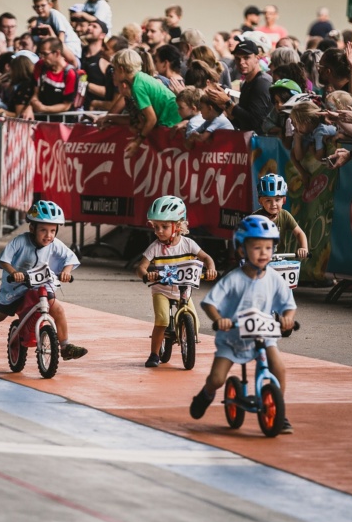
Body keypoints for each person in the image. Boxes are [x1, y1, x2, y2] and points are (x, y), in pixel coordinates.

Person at [189, 215, 297, 432]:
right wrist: (220, 320)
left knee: (279, 368)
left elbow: (288, 304)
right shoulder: (234, 279)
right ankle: (206, 394)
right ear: (241, 250)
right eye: (257, 247)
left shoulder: (274, 278)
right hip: (232, 338)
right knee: (218, 378)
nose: (264, 253)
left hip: (263, 335)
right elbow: (210, 303)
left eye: (268, 247)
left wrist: (287, 319)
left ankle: (279, 411)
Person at [0, 200, 86, 360]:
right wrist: (14, 272)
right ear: (32, 228)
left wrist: (66, 271)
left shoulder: (54, 244)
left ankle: (65, 347)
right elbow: (4, 259)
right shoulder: (20, 242)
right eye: (43, 230)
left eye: (52, 230)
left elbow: (69, 258)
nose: (48, 235)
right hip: (16, 287)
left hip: (42, 285)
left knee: (57, 310)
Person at [135, 196, 217, 368]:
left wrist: (211, 268)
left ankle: (184, 336)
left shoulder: (188, 244)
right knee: (163, 320)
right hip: (161, 290)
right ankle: (154, 354)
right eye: (156, 226)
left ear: (178, 226)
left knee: (195, 323)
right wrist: (146, 275)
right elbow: (141, 267)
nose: (158, 231)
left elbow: (207, 258)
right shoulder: (155, 247)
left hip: (183, 289)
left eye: (164, 226)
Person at [100, 48, 182, 158]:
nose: (113, 73)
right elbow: (139, 120)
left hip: (171, 120)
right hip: (171, 118)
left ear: (121, 69)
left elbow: (151, 119)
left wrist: (137, 142)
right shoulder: (140, 79)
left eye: (114, 70)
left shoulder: (137, 86)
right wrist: (110, 118)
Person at [208, 38, 272, 133]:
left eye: (246, 57)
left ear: (257, 58)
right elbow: (241, 123)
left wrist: (228, 102)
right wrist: (226, 107)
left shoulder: (262, 82)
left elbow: (255, 122)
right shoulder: (246, 83)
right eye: (238, 58)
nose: (241, 62)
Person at [254, 174, 309, 259]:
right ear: (260, 201)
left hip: (279, 260)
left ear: (284, 200)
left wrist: (303, 248)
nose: (273, 204)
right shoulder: (254, 219)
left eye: (277, 199)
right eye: (268, 200)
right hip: (259, 260)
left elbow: (299, 233)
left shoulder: (285, 215)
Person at [26, 38, 79, 118]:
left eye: (45, 54)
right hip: (41, 119)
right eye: (41, 54)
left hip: (61, 121)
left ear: (57, 53)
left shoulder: (70, 74)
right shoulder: (40, 65)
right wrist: (31, 105)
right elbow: (35, 92)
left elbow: (66, 105)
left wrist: (43, 109)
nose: (42, 58)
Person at [31, 0, 81, 65]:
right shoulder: (39, 20)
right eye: (37, 6)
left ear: (50, 5)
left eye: (43, 5)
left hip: (70, 48)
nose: (40, 9)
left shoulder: (54, 14)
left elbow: (61, 36)